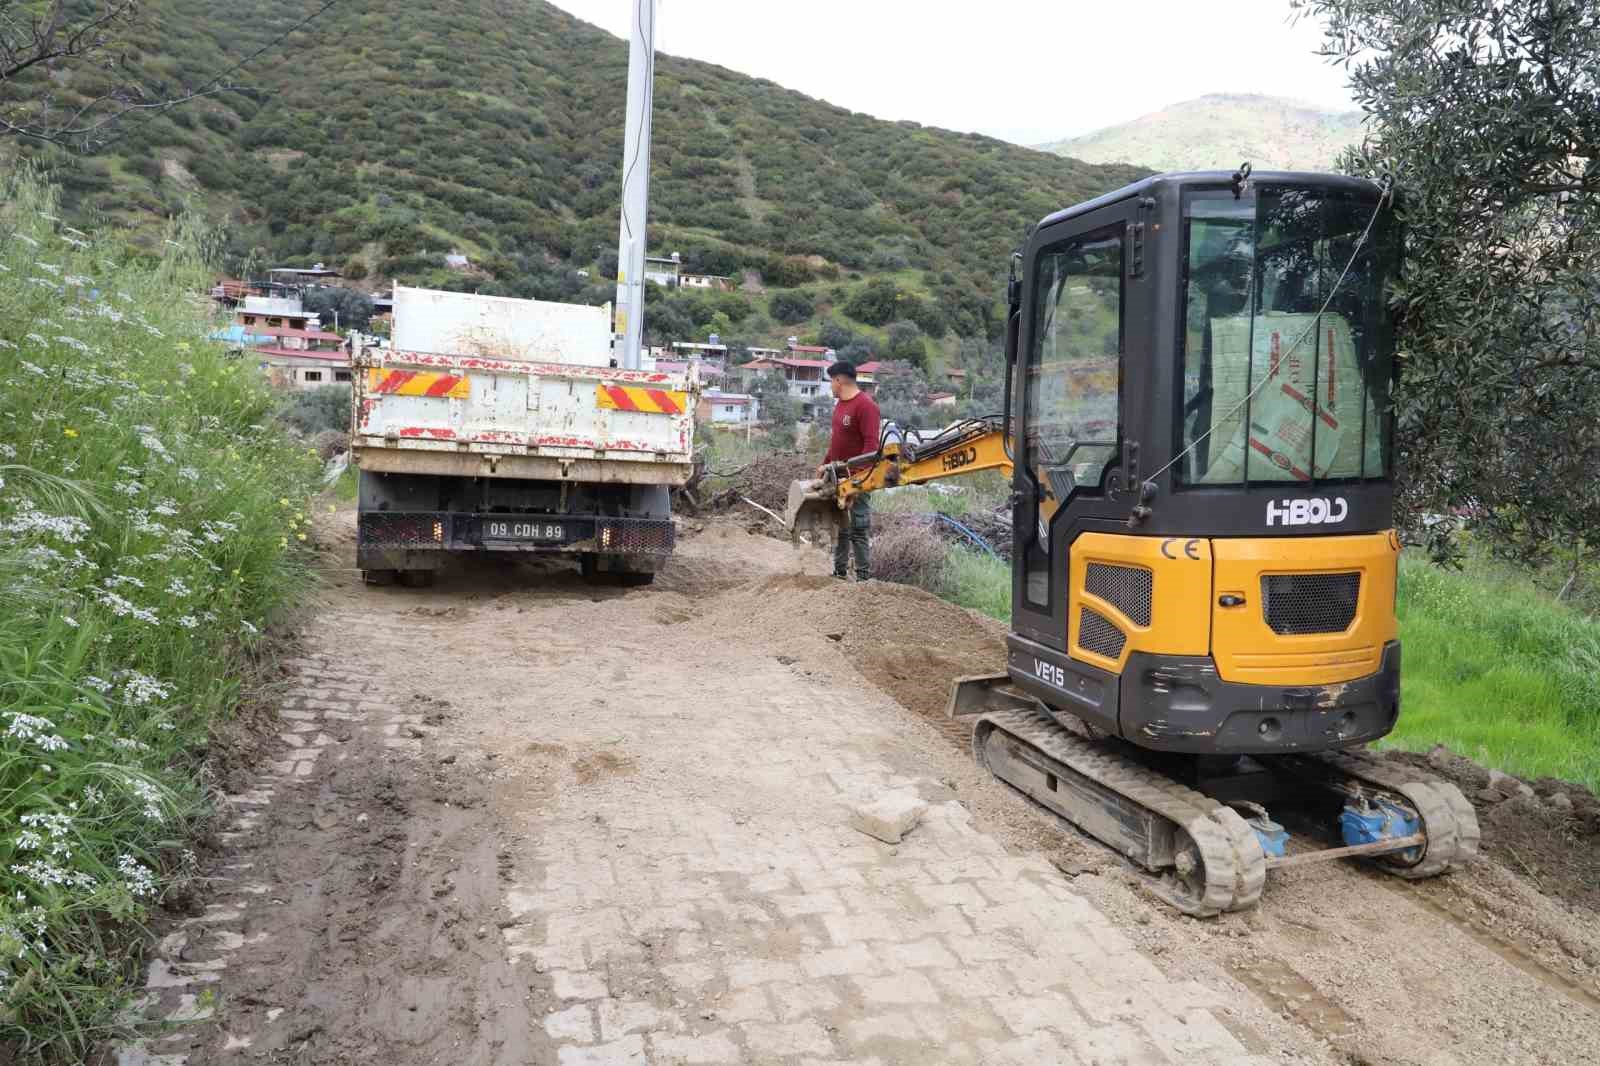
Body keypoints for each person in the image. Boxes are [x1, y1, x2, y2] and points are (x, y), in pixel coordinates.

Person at [818, 360, 881, 581]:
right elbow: (837, 439)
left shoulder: (866, 406)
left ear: (839, 380)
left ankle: (863, 578)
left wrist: (858, 482)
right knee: (840, 526)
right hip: (837, 475)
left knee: (859, 527)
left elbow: (871, 447)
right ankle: (839, 573)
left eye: (831, 383)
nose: (830, 388)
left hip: (859, 478)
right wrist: (825, 463)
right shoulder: (841, 404)